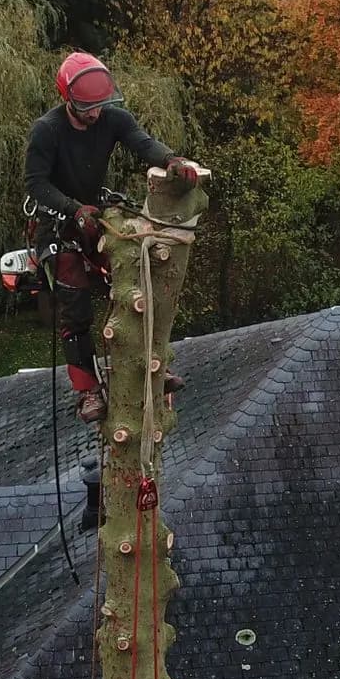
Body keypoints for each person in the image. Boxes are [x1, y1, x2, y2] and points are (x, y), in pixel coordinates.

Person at [24, 51, 200, 423]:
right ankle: (88, 391)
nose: (95, 114)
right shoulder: (47, 130)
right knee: (74, 303)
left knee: (135, 279)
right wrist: (74, 209)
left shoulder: (112, 118)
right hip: (57, 222)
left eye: (101, 105)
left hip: (96, 214)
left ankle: (146, 366)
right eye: (88, 107)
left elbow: (141, 141)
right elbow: (36, 183)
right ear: (68, 100)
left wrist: (171, 160)